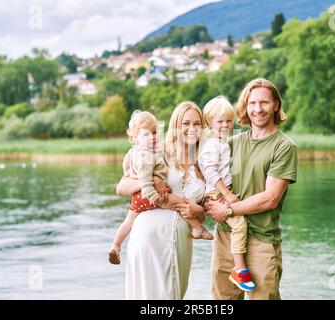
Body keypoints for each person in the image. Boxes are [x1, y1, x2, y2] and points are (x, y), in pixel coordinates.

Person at [206, 78, 298, 300]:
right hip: (227, 237)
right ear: (245, 107)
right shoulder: (231, 143)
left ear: (276, 105)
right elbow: (207, 176)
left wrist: (228, 211)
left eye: (264, 103)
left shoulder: (284, 147)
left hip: (261, 240)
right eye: (252, 103)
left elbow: (270, 199)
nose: (258, 109)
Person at [116, 101, 209, 299]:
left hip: (182, 241)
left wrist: (198, 212)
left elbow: (201, 216)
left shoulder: (205, 162)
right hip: (149, 236)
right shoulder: (157, 151)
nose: (191, 129)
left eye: (197, 124)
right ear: (176, 125)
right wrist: (148, 183)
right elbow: (121, 187)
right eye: (186, 123)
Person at [198, 96, 256, 292]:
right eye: (220, 121)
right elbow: (210, 172)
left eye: (228, 121)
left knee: (238, 224)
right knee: (239, 224)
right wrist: (227, 195)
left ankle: (238, 267)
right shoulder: (212, 145)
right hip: (217, 193)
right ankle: (239, 269)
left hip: (221, 191)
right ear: (209, 123)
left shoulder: (221, 142)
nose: (225, 125)